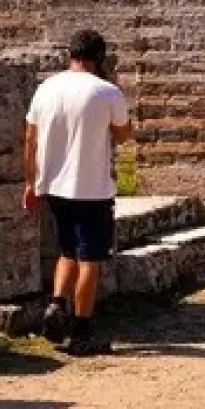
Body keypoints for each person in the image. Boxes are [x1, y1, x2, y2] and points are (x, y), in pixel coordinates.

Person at [24, 29, 133, 356]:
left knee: (67, 251)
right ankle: (82, 331)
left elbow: (30, 140)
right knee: (90, 259)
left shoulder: (45, 89)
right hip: (92, 188)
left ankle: (57, 304)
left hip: (54, 185)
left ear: (69, 54)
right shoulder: (107, 92)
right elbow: (125, 135)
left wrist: (31, 183)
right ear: (99, 59)